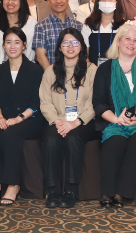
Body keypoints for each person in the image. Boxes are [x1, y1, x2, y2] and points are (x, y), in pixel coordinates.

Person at [93, 24, 136, 208]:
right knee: (114, 143)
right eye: (127, 39)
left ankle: (120, 193)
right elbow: (99, 103)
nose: (131, 43)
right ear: (118, 41)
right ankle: (107, 192)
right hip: (114, 120)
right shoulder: (105, 68)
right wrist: (117, 119)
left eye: (135, 40)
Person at [0, 28, 44, 206]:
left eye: (17, 42)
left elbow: (37, 102)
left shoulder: (35, 70)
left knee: (10, 135)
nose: (12, 46)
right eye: (8, 42)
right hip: (4, 117)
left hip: (29, 119)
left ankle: (13, 184)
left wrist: (18, 119)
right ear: (3, 46)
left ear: (24, 45)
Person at [39, 28, 98, 208]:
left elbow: (95, 102)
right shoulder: (51, 71)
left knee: (73, 138)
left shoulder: (91, 69)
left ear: (81, 47)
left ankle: (71, 190)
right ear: (60, 47)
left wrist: (76, 122)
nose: (70, 46)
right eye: (66, 43)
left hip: (84, 121)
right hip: (57, 120)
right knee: (49, 139)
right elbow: (45, 101)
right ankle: (53, 190)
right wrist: (57, 121)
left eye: (75, 42)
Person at [32, 0, 83, 70]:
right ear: (48, 1)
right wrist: (52, 77)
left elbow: (83, 53)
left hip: (76, 77)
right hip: (52, 78)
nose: (58, 1)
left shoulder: (78, 26)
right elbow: (40, 56)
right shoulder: (41, 26)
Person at [0, 0, 37, 68]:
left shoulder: (31, 23)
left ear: (21, 1)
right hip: (1, 71)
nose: (10, 2)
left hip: (26, 70)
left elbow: (29, 52)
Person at [81, 0, 126, 66]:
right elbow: (84, 51)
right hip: (93, 70)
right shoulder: (89, 24)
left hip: (116, 69)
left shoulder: (123, 25)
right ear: (97, 2)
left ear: (117, 1)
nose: (106, 2)